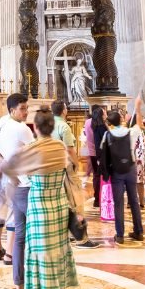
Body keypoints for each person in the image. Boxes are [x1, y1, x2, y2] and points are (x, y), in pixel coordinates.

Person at [0, 107, 78, 289]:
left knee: (45, 264)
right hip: (59, 208)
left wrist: (10, 184)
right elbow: (71, 172)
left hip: (40, 211)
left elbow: (7, 167)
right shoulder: (60, 147)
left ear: (36, 127)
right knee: (56, 259)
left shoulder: (34, 149)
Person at [0, 93, 34, 272]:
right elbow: (34, 151)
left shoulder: (0, 121)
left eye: (27, 108)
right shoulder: (23, 129)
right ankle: (9, 253)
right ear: (12, 110)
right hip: (14, 177)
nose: (26, 112)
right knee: (13, 214)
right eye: (23, 109)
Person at [52, 100, 99, 249]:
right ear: (64, 110)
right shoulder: (63, 126)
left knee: (62, 203)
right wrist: (77, 163)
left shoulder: (49, 124)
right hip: (67, 169)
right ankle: (82, 238)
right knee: (76, 202)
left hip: (54, 169)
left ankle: (67, 234)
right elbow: (70, 149)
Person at [100, 98, 145, 244]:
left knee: (118, 203)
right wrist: (138, 107)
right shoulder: (130, 132)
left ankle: (120, 235)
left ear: (110, 123)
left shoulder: (107, 135)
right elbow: (139, 124)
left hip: (116, 172)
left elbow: (103, 155)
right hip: (130, 169)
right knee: (134, 201)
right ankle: (139, 232)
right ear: (121, 119)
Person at [89, 106, 107, 208]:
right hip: (102, 156)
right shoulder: (102, 127)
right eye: (104, 113)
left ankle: (98, 198)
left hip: (97, 154)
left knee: (97, 177)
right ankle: (104, 198)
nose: (106, 115)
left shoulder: (95, 126)